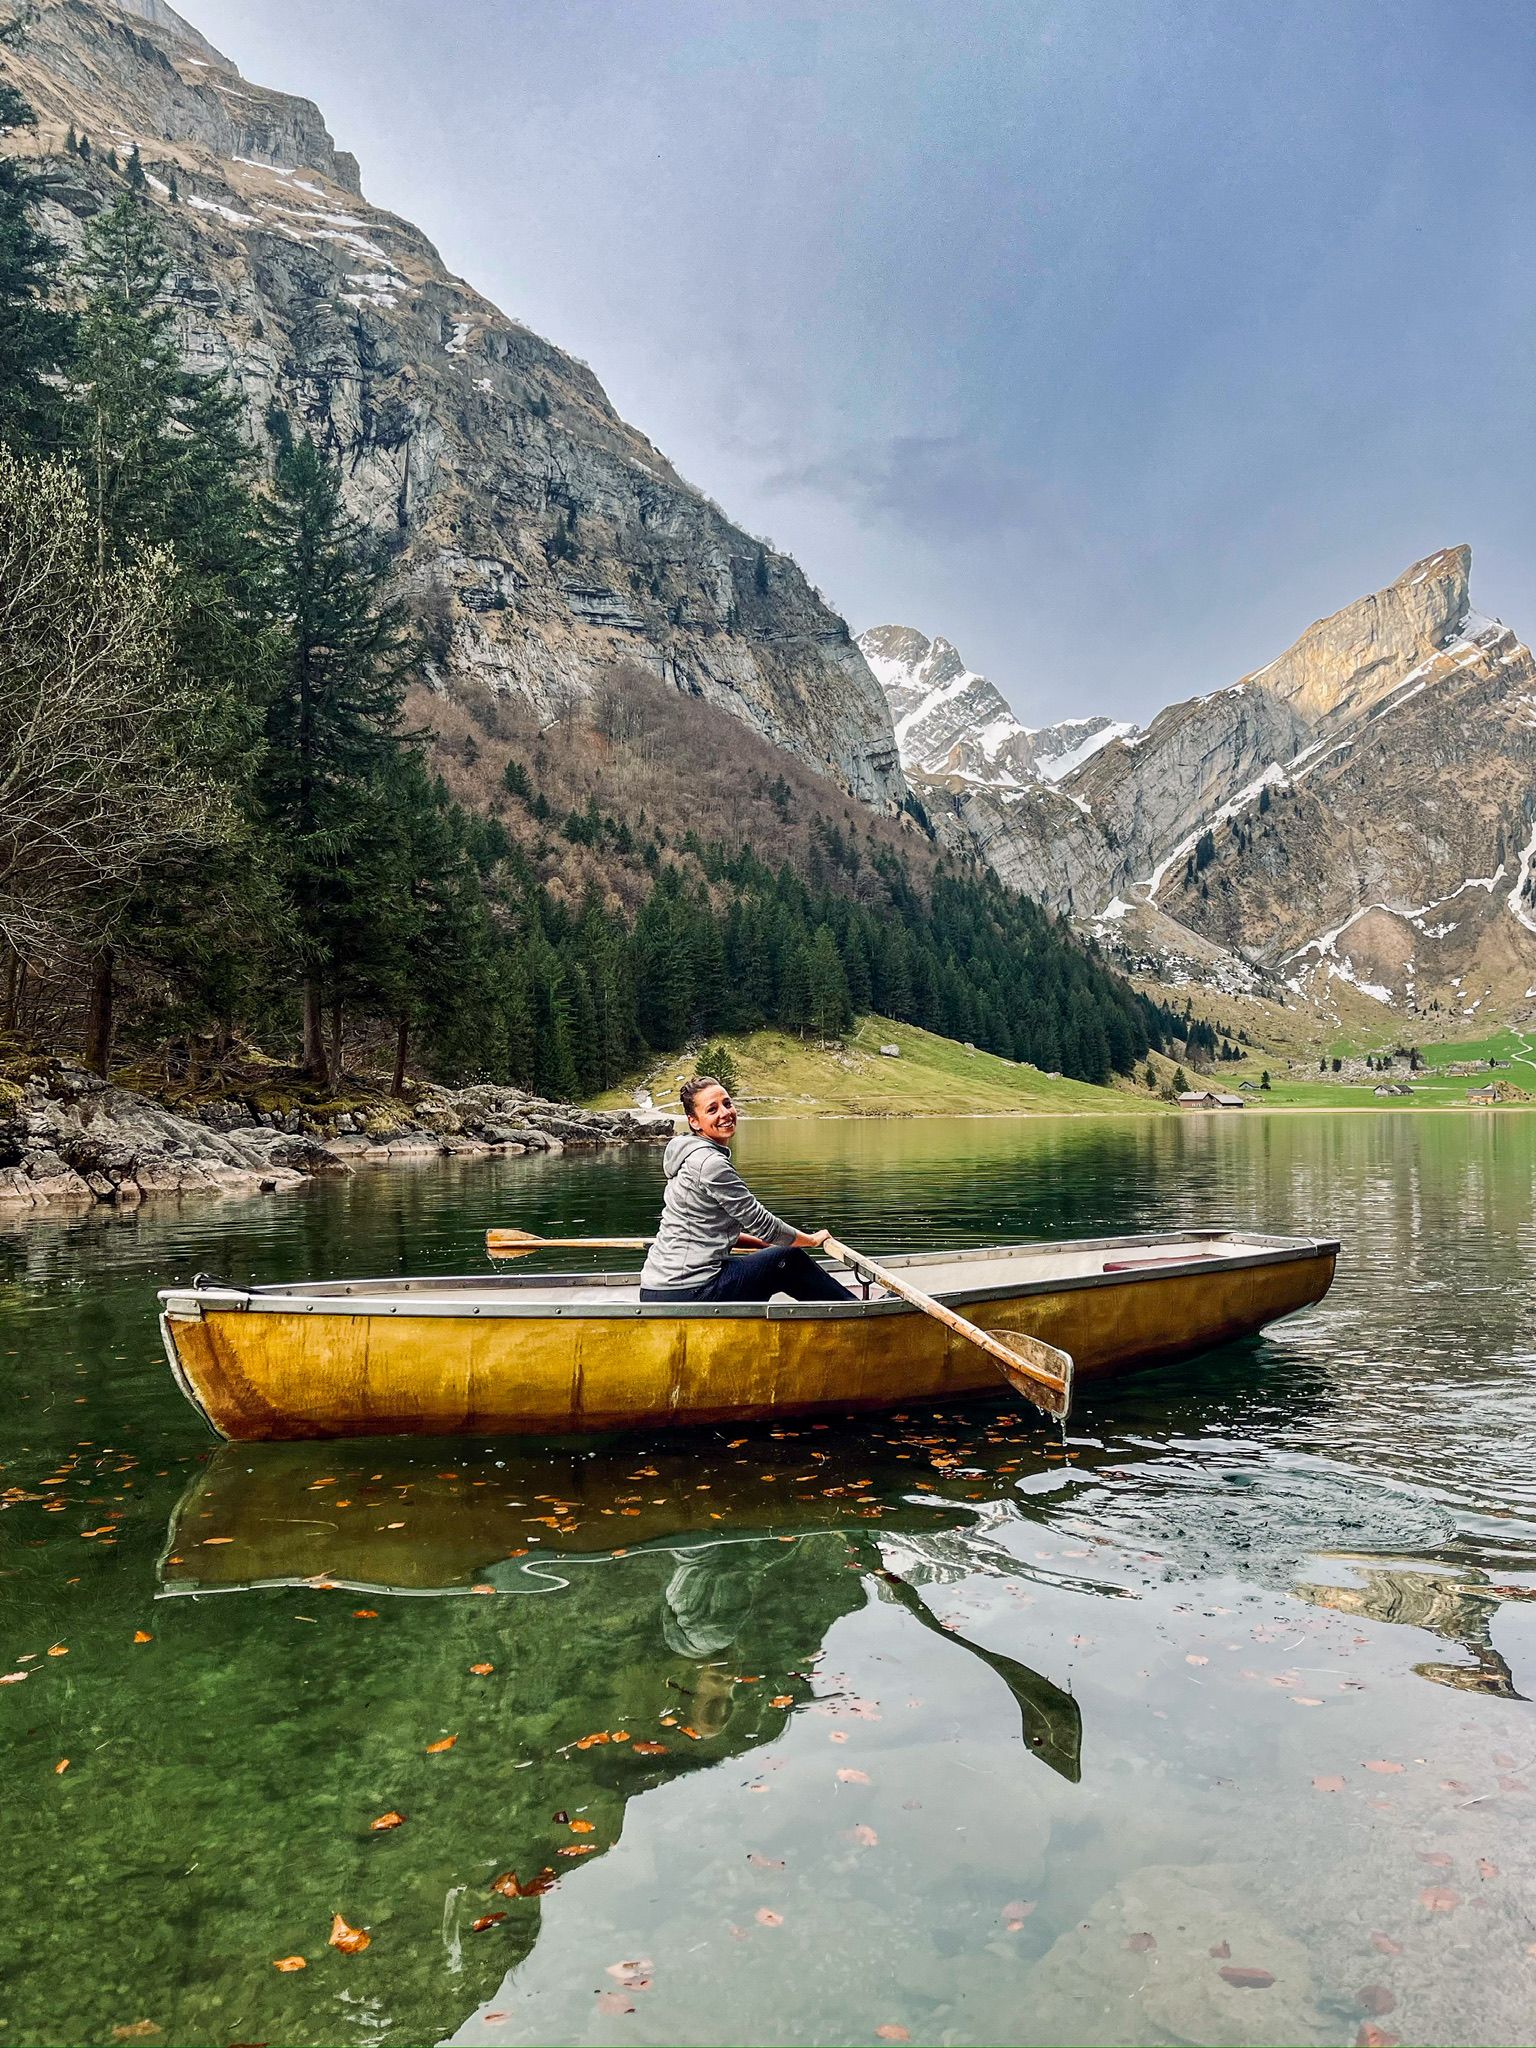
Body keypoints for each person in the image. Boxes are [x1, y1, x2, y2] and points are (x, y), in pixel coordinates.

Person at [638, 1075, 855, 1303]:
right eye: (712, 1109)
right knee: (788, 1259)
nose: (725, 1113)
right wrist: (810, 1241)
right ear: (694, 1121)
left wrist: (763, 1245)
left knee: (770, 1256)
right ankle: (858, 1315)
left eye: (727, 1104)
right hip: (688, 1291)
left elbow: (711, 1231)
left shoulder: (689, 1157)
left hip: (657, 1288)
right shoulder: (710, 1164)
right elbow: (764, 1225)